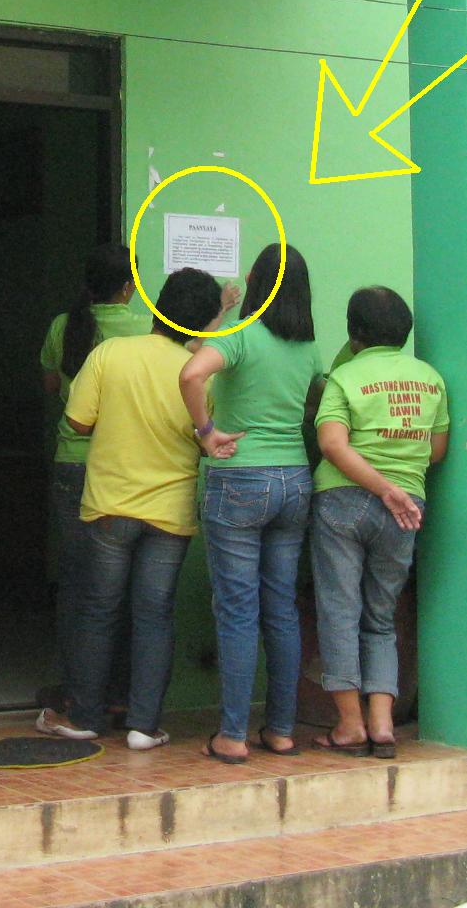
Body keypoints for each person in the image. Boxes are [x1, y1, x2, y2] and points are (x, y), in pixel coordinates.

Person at [37, 266, 225, 752]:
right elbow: (209, 438)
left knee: (99, 610)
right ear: (205, 323)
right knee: (155, 614)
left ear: (157, 305)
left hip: (109, 505)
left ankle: (85, 717)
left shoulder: (110, 353)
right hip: (170, 509)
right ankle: (144, 725)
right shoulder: (200, 372)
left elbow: (77, 422)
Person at [178, 243, 321, 762]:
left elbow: (192, 372)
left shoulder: (241, 336)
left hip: (239, 477)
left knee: (238, 611)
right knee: (280, 609)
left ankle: (233, 735)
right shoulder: (308, 347)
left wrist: (207, 431)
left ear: (259, 280)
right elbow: (311, 401)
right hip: (293, 482)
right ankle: (281, 730)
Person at [311, 286, 449, 760]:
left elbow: (332, 444)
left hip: (345, 501)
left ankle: (350, 725)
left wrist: (377, 486)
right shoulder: (430, 380)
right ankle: (383, 724)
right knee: (381, 615)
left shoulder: (345, 377)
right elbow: (436, 451)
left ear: (354, 335)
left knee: (339, 611)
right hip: (406, 507)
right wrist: (394, 487)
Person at [35, 245, 146, 715]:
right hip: (125, 467)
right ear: (129, 287)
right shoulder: (146, 328)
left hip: (73, 463)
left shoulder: (64, 325)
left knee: (77, 584)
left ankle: (76, 688)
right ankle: (120, 694)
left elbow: (51, 385)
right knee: (124, 584)